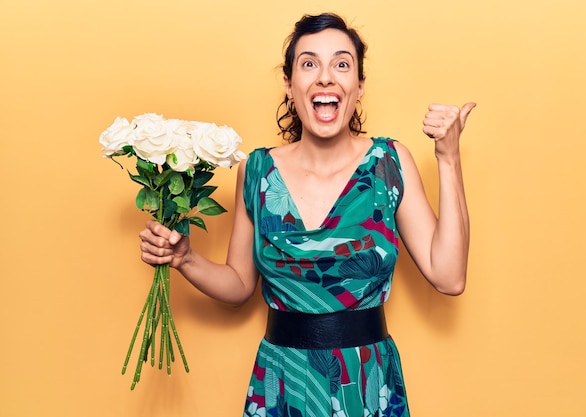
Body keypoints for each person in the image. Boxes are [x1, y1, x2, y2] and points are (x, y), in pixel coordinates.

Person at [139, 12, 475, 417]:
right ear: (289, 84)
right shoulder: (257, 171)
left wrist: (448, 156)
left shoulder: (389, 163)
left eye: (342, 64)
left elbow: (449, 275)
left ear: (359, 86)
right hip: (282, 381)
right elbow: (240, 284)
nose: (326, 77)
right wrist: (185, 258)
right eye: (309, 63)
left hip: (366, 385)